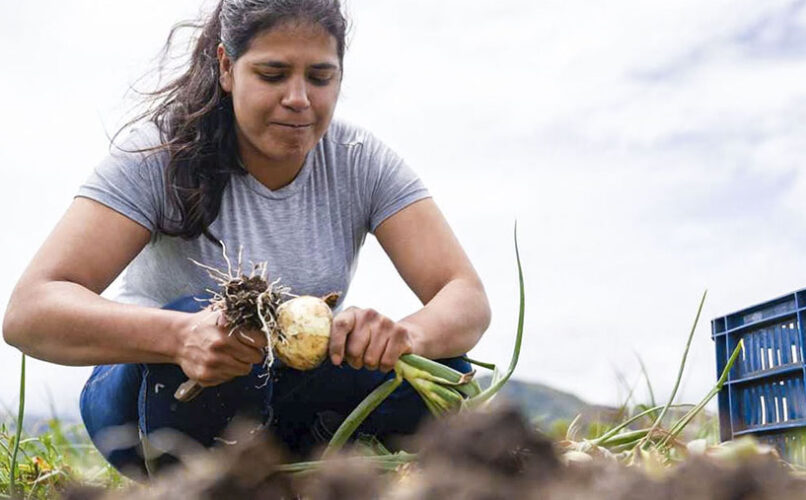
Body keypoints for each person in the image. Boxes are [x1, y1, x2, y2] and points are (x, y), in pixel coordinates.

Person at [2, 0, 490, 479]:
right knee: (209, 315)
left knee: (437, 364)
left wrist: (406, 336)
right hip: (151, 396)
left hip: (285, 395)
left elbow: (464, 295)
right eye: (273, 74)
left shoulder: (360, 161)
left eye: (320, 77)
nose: (299, 98)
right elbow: (30, 312)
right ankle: (208, 484)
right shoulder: (158, 154)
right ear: (227, 68)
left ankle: (293, 474)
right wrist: (178, 337)